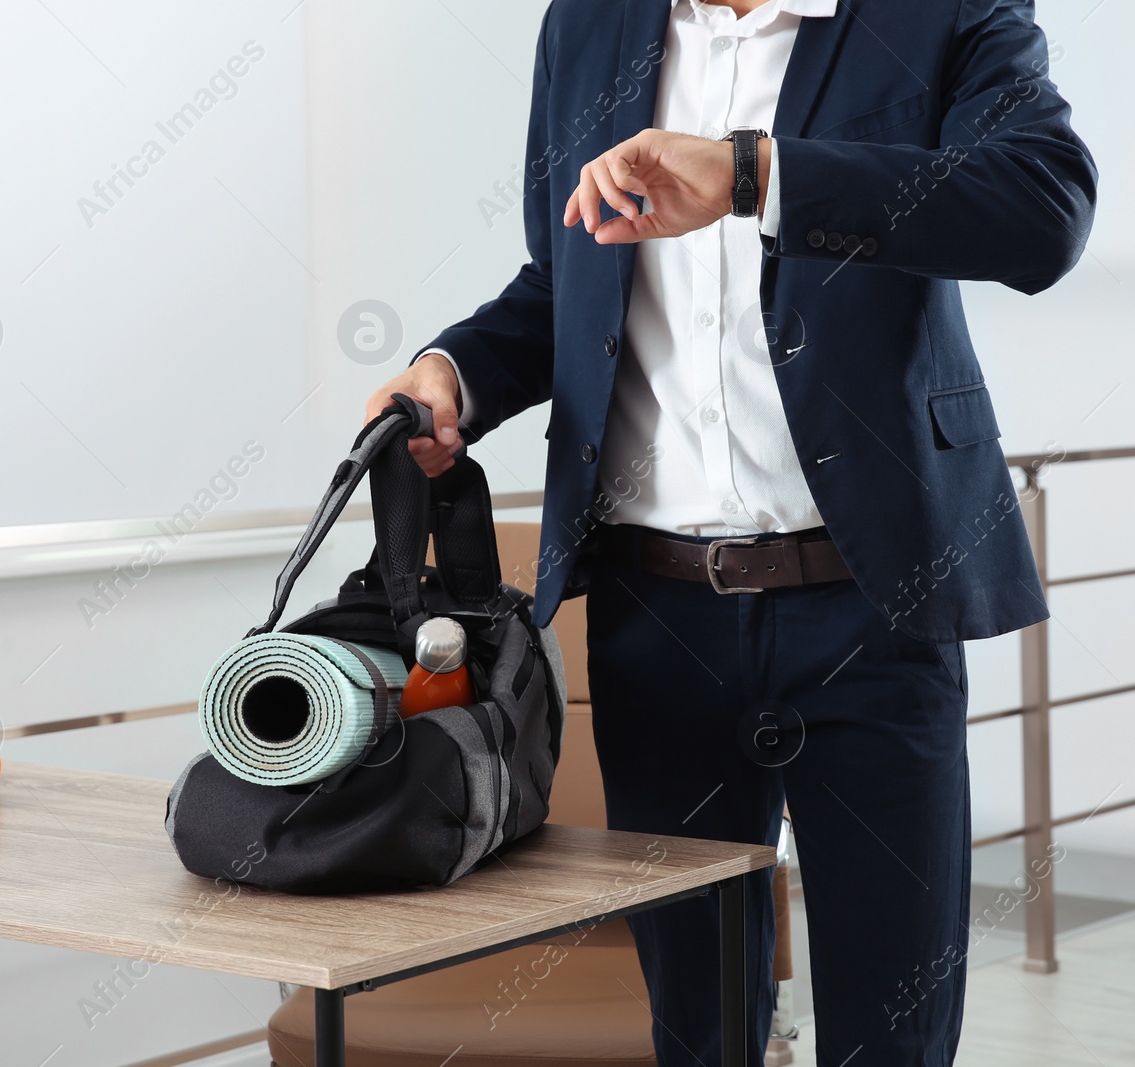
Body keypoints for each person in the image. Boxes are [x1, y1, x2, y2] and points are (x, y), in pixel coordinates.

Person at [365, 0, 1096, 1062]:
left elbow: (1042, 208)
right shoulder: (587, 24)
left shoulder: (939, 13)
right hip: (653, 617)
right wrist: (457, 370)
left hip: (869, 603)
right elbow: (562, 278)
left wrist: (754, 174)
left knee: (890, 1031)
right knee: (697, 1029)